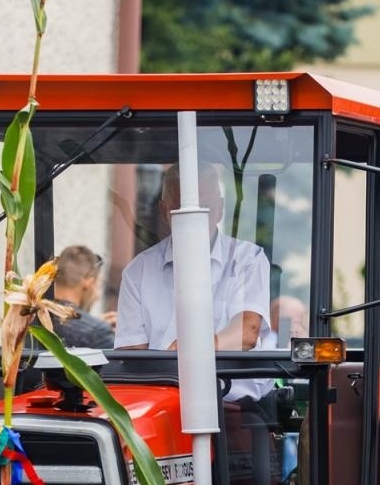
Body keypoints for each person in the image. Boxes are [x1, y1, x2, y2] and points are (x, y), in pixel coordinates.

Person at [116, 162, 275, 397]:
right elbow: (132, 355)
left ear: (220, 209)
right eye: (180, 209)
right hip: (162, 399)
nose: (193, 219)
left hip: (232, 406)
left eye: (205, 208)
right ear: (163, 211)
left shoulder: (247, 259)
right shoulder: (138, 270)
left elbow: (246, 332)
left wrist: (191, 348)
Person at [50, 245, 115, 350]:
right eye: (98, 286)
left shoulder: (31, 316)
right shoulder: (98, 332)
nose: (97, 297)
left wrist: (94, 324)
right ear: (88, 282)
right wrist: (98, 328)